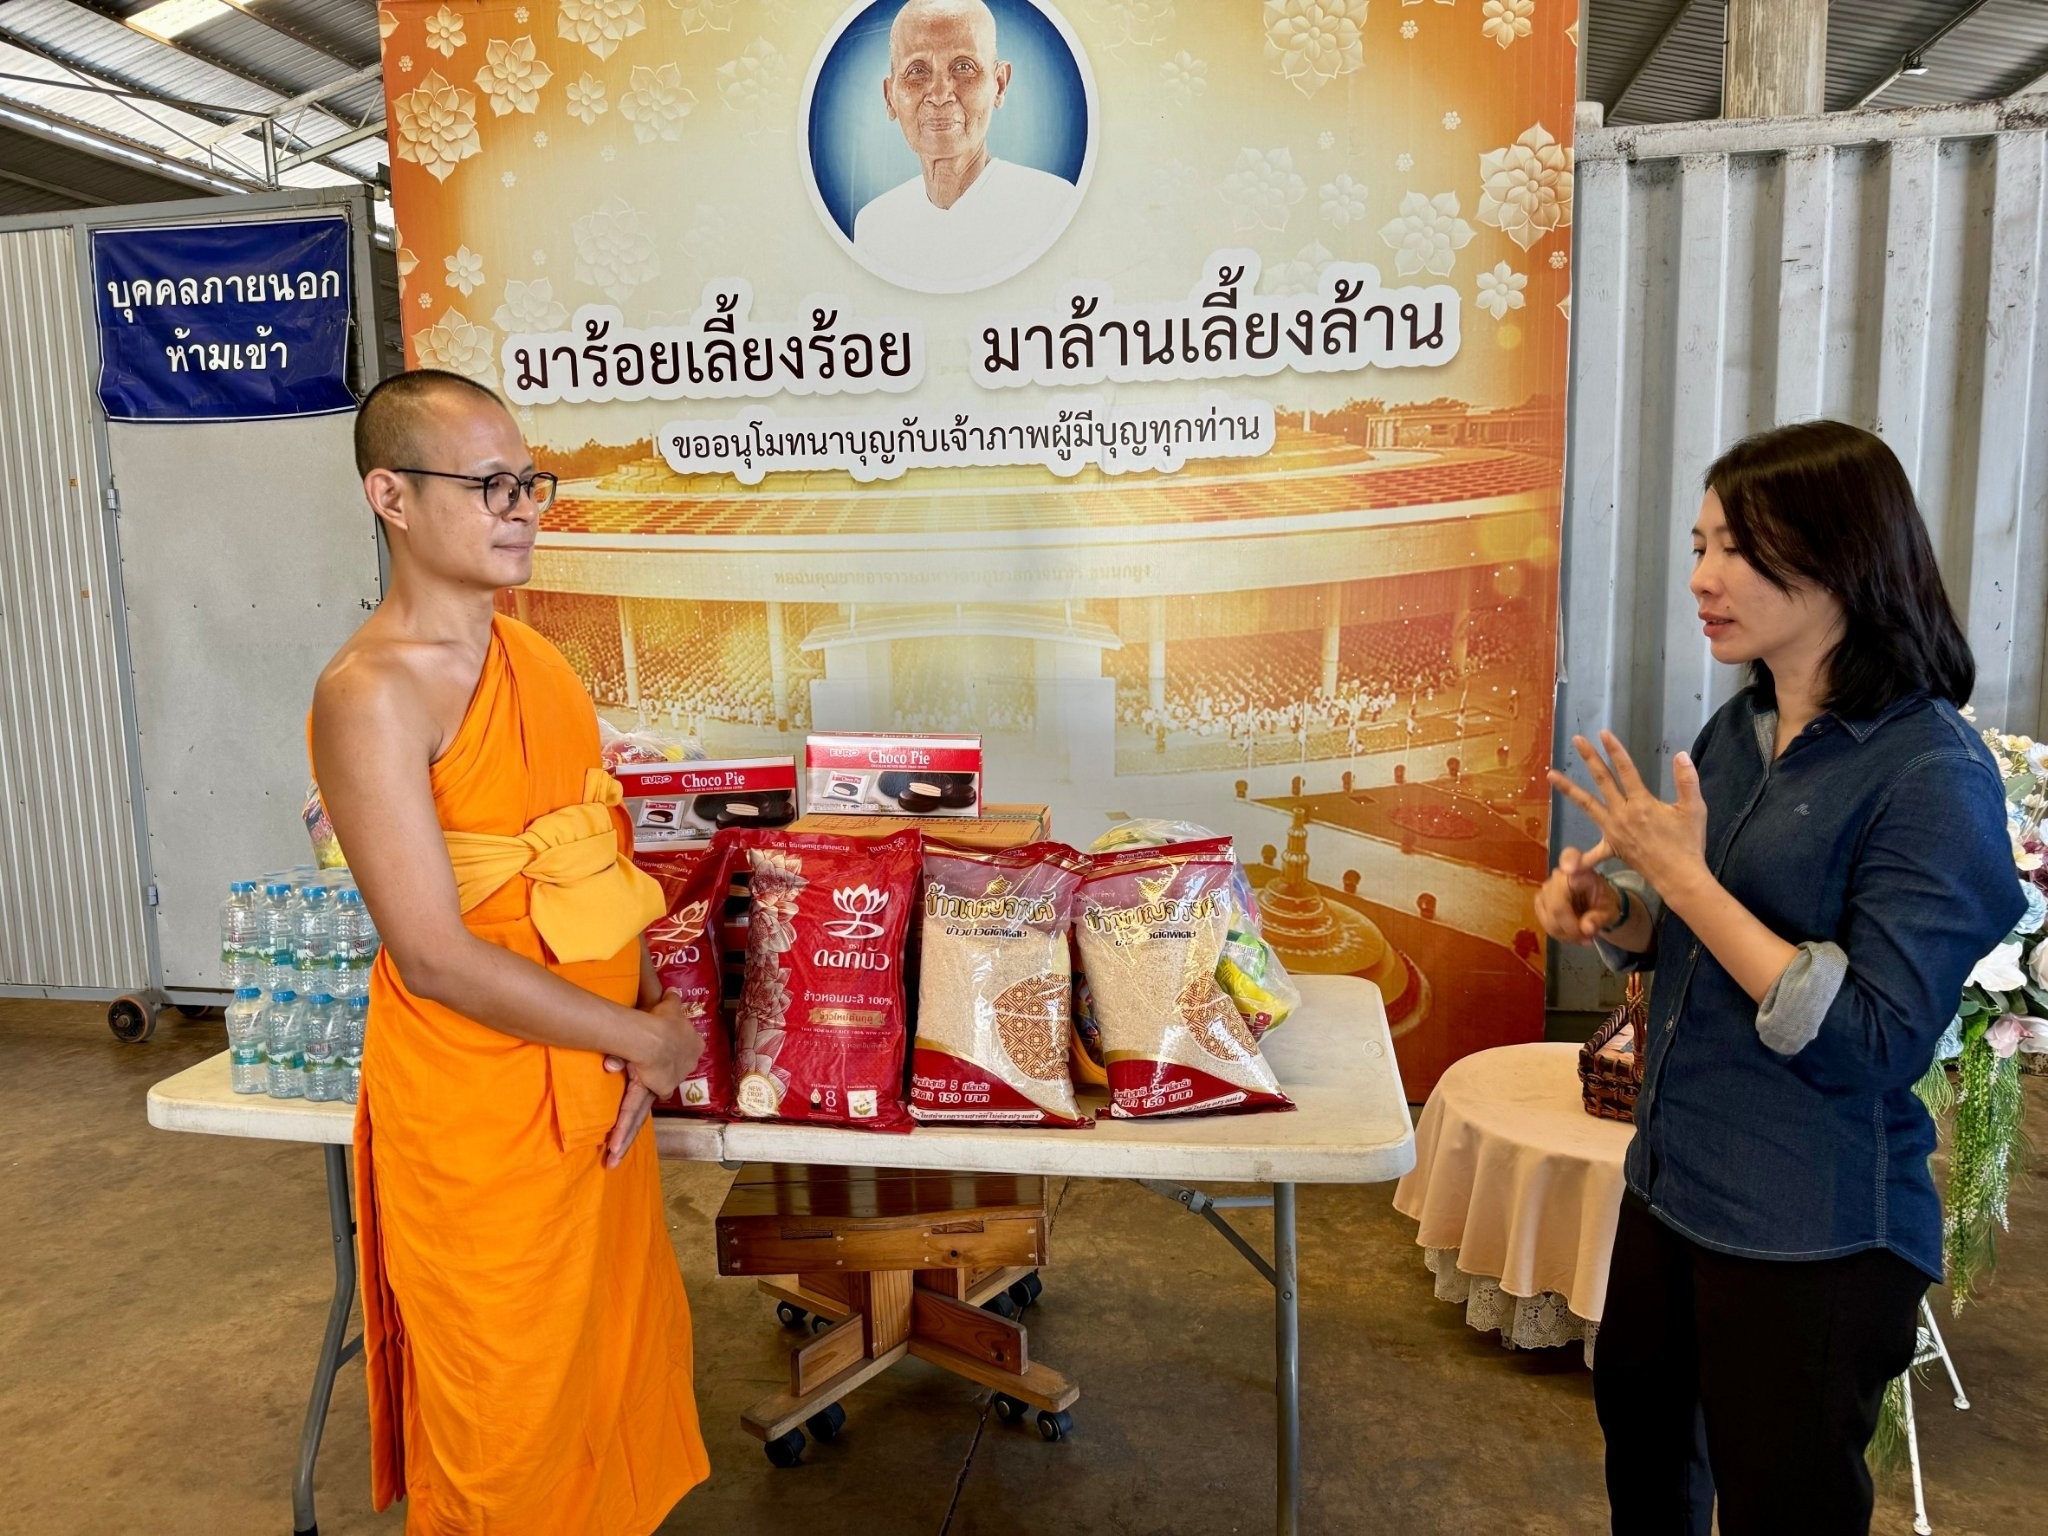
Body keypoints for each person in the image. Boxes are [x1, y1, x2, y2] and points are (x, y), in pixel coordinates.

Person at [1536, 422, 2023, 1536]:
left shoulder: (1927, 775)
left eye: (1737, 551)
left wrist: (1685, 883)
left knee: (1782, 1508)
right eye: (1698, 546)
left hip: (1810, 1230)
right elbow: (1716, 943)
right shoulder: (1742, 726)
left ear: (1844, 560)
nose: (1703, 579)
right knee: (1646, 1474)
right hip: (1673, 1187)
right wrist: (1620, 913)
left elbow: (1874, 1036)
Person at [310, 371, 711, 1531]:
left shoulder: (539, 664)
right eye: (488, 485)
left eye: (528, 482)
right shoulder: (369, 694)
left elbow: (597, 862)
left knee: (605, 1376)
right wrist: (645, 1034)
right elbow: (431, 955)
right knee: (506, 1412)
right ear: (389, 494)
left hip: (595, 1091)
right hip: (476, 1110)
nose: (521, 507)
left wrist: (641, 1026)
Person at [853, 0, 1079, 291]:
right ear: (889, 97)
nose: (939, 94)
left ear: (999, 84)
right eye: (917, 71)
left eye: (964, 67)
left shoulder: (1054, 207)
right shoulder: (875, 227)